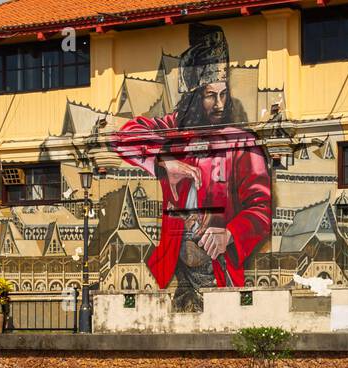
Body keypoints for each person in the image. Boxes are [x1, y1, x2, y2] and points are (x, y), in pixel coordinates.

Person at [110, 24, 271, 312]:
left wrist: (230, 233)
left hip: (218, 271)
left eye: (224, 94)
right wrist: (164, 161)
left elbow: (260, 210)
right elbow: (122, 137)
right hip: (174, 271)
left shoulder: (242, 142)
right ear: (195, 97)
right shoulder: (172, 130)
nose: (220, 104)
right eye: (211, 95)